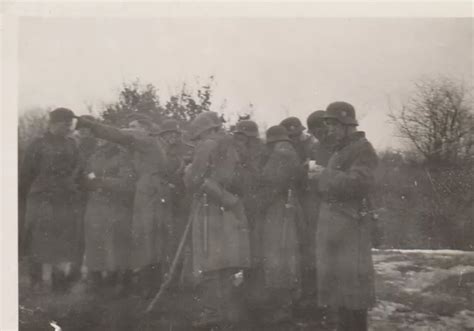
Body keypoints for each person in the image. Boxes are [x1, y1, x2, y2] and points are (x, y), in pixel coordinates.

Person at [76, 112, 170, 298]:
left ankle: (149, 287)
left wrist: (90, 125)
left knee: (148, 237)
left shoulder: (146, 140)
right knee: (147, 237)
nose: (131, 130)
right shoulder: (143, 145)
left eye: (134, 127)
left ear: (145, 129)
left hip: (150, 190)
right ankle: (149, 285)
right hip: (149, 189)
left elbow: (120, 135)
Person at [314, 102, 378, 331]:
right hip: (336, 227)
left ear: (347, 124)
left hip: (351, 227)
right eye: (328, 124)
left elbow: (359, 183)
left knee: (354, 293)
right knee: (338, 292)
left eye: (333, 124)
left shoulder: (363, 149)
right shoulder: (341, 149)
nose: (329, 129)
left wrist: (325, 175)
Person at [184, 111, 251, 328]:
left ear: (204, 132)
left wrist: (187, 170)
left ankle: (212, 313)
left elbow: (196, 179)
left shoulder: (207, 146)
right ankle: (228, 314)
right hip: (230, 209)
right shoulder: (232, 146)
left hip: (210, 209)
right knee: (226, 263)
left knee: (209, 262)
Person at [19, 108, 84, 292]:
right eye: (65, 124)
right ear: (53, 123)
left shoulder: (72, 144)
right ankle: (36, 280)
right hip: (41, 198)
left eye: (70, 124)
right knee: (38, 239)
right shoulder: (37, 144)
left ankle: (58, 281)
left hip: (64, 198)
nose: (68, 128)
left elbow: (77, 167)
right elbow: (26, 174)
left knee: (62, 240)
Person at [259, 125, 304, 324]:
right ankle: (288, 305)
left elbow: (271, 184)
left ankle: (283, 309)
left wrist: (257, 204)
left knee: (279, 257)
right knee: (287, 257)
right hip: (289, 208)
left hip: (278, 211)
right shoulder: (290, 151)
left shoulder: (280, 154)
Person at [82, 141, 135, 295]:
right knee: (94, 242)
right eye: (102, 139)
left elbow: (127, 181)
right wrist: (94, 180)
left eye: (108, 139)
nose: (104, 143)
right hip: (95, 206)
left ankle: (118, 280)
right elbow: (88, 174)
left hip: (116, 206)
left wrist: (102, 182)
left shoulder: (123, 157)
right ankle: (96, 279)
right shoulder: (94, 156)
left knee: (116, 244)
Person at [280, 116, 318, 298]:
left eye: (296, 134)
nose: (294, 138)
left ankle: (312, 294)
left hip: (311, 198)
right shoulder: (286, 147)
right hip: (295, 197)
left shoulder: (313, 146)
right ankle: (302, 292)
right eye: (290, 136)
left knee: (310, 246)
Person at [232, 120, 267, 310]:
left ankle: (257, 293)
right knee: (246, 248)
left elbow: (259, 177)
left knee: (256, 249)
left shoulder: (260, 153)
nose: (240, 141)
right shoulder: (241, 152)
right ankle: (250, 288)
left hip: (257, 206)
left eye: (243, 137)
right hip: (244, 204)